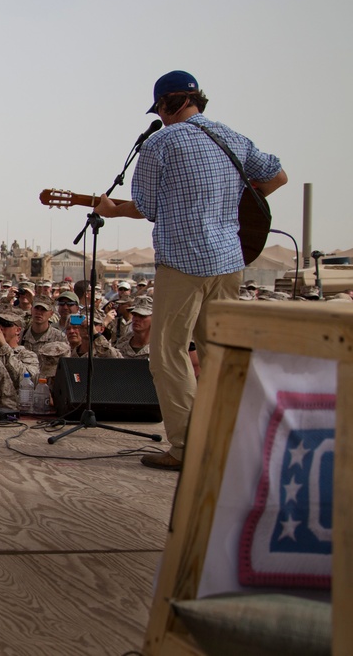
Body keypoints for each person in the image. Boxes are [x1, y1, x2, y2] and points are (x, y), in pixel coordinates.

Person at [95, 70, 287, 471]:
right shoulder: (231, 136)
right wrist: (236, 205)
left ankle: (186, 447)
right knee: (221, 354)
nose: (161, 116)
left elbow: (145, 206)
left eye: (162, 108)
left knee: (167, 355)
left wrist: (111, 211)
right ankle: (231, 441)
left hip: (184, 261)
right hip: (230, 261)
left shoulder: (161, 142)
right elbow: (276, 176)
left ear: (171, 103)